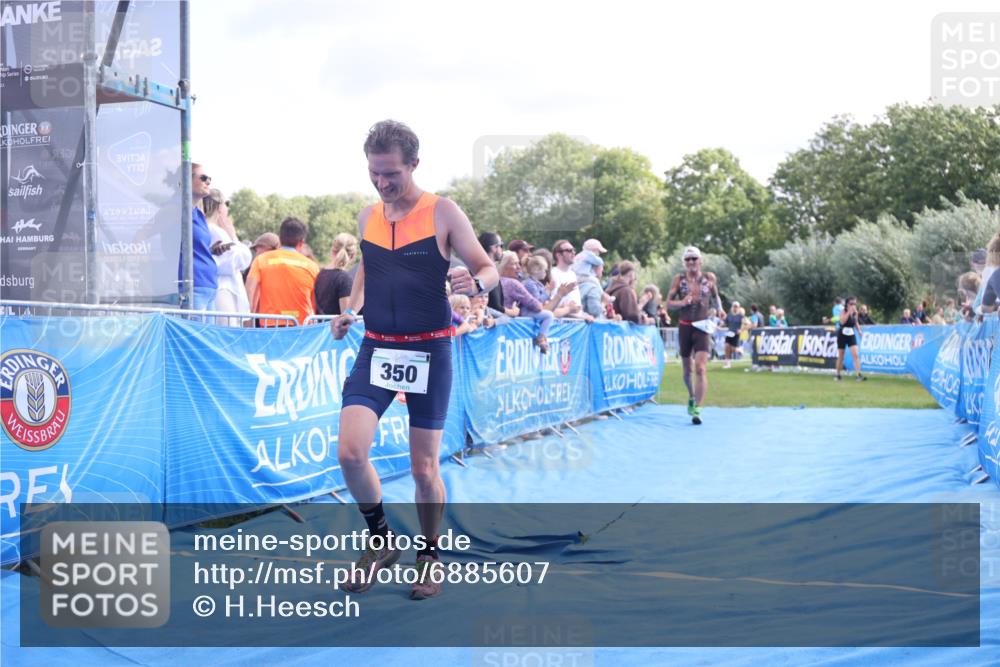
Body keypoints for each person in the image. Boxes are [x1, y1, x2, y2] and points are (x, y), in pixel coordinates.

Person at [330, 120, 498, 600]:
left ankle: (429, 554)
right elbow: (367, 265)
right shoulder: (367, 217)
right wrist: (351, 310)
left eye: (392, 175)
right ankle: (381, 541)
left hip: (429, 347)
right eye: (374, 174)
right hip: (378, 347)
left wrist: (477, 283)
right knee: (350, 452)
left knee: (424, 468)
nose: (383, 184)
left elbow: (486, 266)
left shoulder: (443, 212)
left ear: (414, 165)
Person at [666, 246, 719, 425]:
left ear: (700, 261)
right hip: (685, 326)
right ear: (684, 262)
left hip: (703, 327)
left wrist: (720, 310)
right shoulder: (678, 280)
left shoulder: (709, 278)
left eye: (694, 259)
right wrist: (682, 302)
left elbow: (716, 297)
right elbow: (668, 304)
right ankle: (691, 395)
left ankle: (698, 407)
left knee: (701, 368)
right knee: (687, 371)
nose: (691, 262)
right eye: (688, 259)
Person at [246, 217, 320, 325]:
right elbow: (315, 302)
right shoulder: (312, 266)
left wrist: (248, 322)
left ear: (280, 238)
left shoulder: (261, 260)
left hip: (270, 325)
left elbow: (249, 291)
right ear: (301, 242)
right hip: (301, 326)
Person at [202, 189, 252, 326]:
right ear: (219, 207)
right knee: (226, 334)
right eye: (227, 203)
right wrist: (234, 237)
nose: (227, 208)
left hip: (218, 289)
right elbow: (240, 259)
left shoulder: (205, 229)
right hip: (223, 290)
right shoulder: (215, 230)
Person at [181, 163, 219, 312]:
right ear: (186, 180)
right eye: (203, 178)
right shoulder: (174, 209)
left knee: (206, 334)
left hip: (207, 286)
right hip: (192, 287)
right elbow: (142, 235)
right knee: (194, 335)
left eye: (209, 178)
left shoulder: (199, 213)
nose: (208, 182)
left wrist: (210, 251)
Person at [498, 251, 553, 352]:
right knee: (549, 315)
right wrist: (548, 293)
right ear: (504, 266)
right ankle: (541, 338)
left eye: (518, 263)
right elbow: (536, 305)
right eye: (515, 264)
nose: (519, 267)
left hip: (501, 326)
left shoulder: (493, 281)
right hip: (507, 327)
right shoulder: (512, 283)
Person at [315, 232, 358, 315]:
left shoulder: (319, 273)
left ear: (332, 251)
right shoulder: (344, 279)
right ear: (352, 256)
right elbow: (345, 315)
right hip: (334, 327)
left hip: (319, 327)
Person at [550, 239, 592, 321]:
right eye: (569, 250)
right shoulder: (553, 274)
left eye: (573, 250)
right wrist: (569, 309)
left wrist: (583, 315)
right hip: (560, 324)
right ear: (558, 255)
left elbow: (576, 305)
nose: (573, 253)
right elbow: (553, 305)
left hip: (576, 323)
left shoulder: (572, 274)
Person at [835, 296, 866, 381]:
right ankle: (838, 374)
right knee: (841, 355)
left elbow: (855, 322)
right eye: (851, 304)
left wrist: (859, 330)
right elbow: (842, 321)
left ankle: (859, 375)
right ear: (847, 304)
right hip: (842, 334)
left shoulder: (855, 313)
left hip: (851, 334)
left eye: (854, 304)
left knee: (855, 355)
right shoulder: (843, 311)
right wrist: (849, 311)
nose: (853, 305)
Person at [573, 250, 606, 319]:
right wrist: (604, 303)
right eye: (602, 268)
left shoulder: (574, 283)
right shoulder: (593, 287)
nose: (603, 271)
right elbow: (595, 311)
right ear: (595, 268)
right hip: (590, 326)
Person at [478, 231, 505, 312]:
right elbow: (496, 306)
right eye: (501, 245)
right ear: (494, 248)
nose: (502, 249)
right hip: (488, 319)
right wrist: (512, 312)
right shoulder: (488, 271)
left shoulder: (475, 268)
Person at [723, 301, 743, 369]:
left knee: (733, 349)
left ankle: (740, 350)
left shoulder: (741, 316)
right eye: (734, 306)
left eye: (736, 307)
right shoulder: (729, 315)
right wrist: (718, 326)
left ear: (739, 308)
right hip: (729, 333)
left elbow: (746, 324)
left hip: (736, 334)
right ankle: (727, 363)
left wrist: (741, 330)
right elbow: (725, 323)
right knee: (726, 347)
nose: (735, 308)